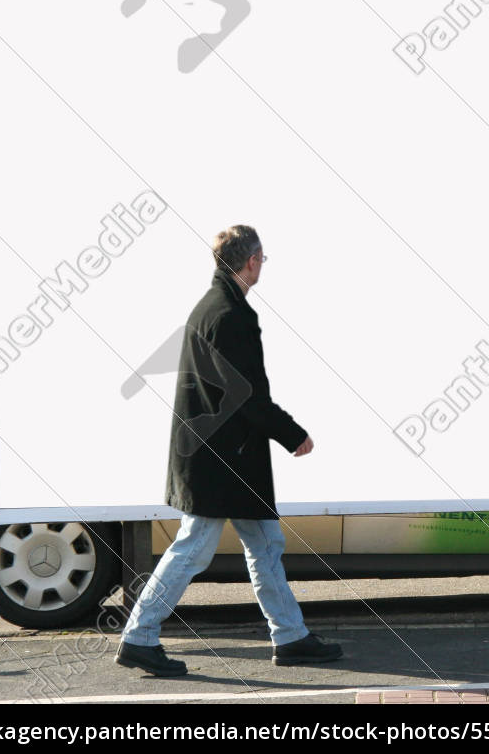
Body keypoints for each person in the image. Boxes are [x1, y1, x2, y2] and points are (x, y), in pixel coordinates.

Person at [115, 225, 342, 676]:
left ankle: (291, 636)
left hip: (219, 453)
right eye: (263, 259)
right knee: (195, 545)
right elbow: (248, 395)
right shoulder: (232, 316)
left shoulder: (210, 306)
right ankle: (139, 637)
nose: (263, 266)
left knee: (264, 542)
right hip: (223, 458)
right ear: (251, 261)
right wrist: (294, 433)